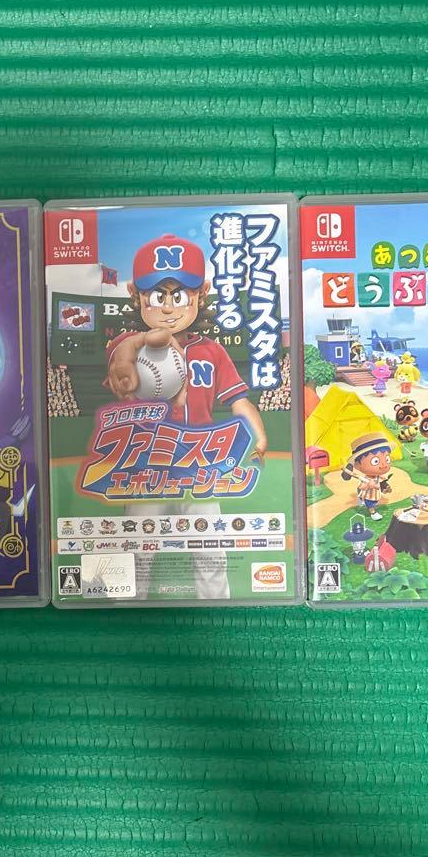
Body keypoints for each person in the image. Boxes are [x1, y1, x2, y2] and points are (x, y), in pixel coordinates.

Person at [101, 235, 269, 599]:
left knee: (211, 551)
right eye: (156, 295)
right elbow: (124, 351)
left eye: (179, 295)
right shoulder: (129, 345)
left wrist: (259, 434)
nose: (167, 307)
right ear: (135, 295)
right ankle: (125, 613)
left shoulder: (213, 351)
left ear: (201, 294)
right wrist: (132, 350)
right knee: (137, 551)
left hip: (200, 465)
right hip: (146, 466)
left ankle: (217, 611)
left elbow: (239, 401)